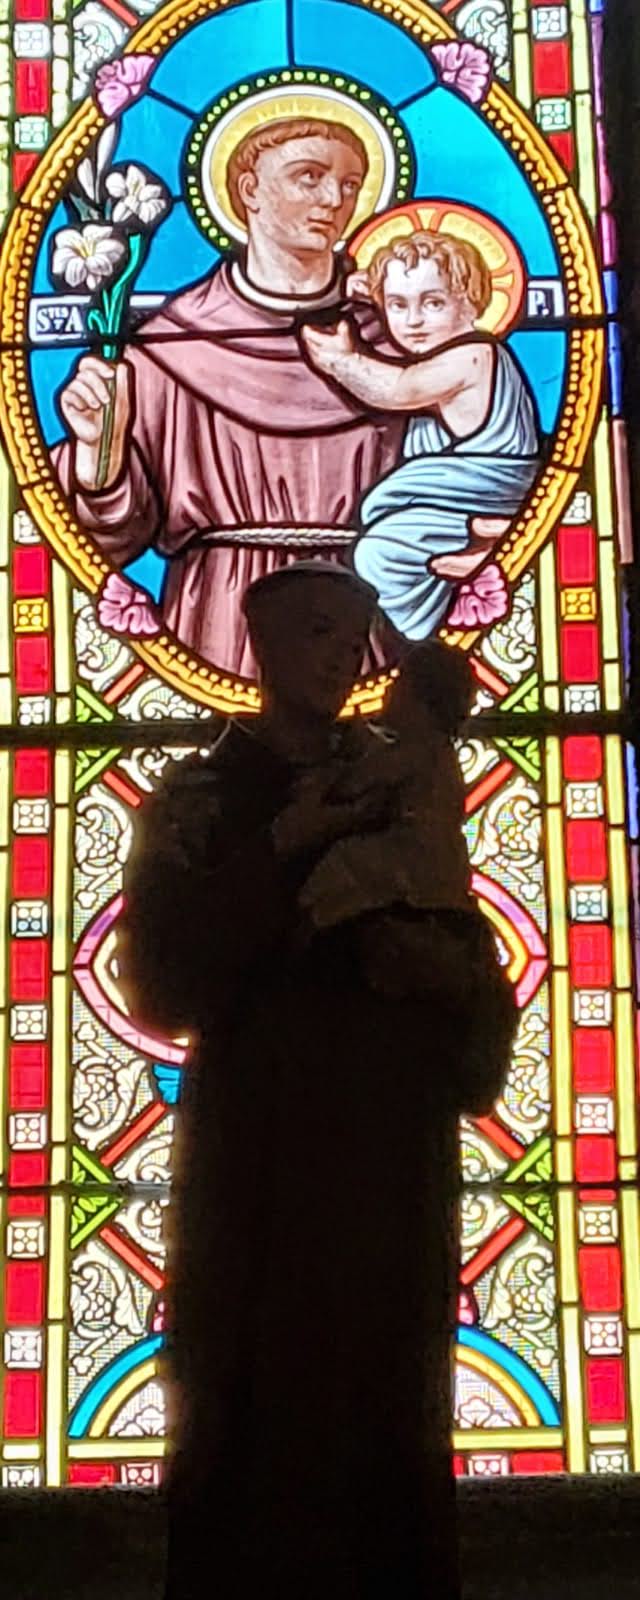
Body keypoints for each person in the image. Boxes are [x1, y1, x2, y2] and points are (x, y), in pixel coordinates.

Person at [118, 562, 517, 1599]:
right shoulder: (202, 801)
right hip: (260, 1180)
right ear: (260, 642)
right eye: (318, 631)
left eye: (354, 637)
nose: (342, 655)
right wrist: (284, 848)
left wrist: (449, 980)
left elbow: (466, 964)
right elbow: (161, 977)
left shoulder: (399, 787)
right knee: (251, 1451)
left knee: (388, 1449)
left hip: (391, 1177)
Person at [52, 118, 404, 677]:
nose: (333, 200)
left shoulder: (392, 345)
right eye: (309, 176)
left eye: (349, 184)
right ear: (248, 190)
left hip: (364, 620)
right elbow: (106, 539)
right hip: (218, 621)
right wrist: (101, 458)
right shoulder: (170, 346)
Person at [301, 228, 540, 640]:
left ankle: (430, 628)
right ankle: (476, 542)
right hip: (453, 501)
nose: (413, 320)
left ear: (471, 303)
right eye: (397, 304)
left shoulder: (473, 356)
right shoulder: (447, 361)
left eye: (433, 303)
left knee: (377, 554)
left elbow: (398, 389)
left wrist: (343, 361)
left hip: (486, 491)